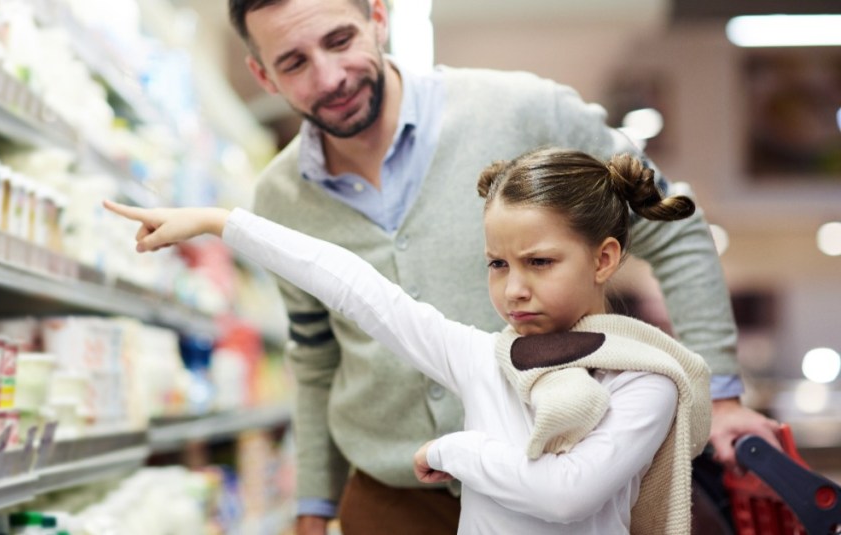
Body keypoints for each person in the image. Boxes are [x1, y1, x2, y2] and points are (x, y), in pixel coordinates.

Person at [227, 0, 780, 532]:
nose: (328, 78)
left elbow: (675, 227)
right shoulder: (278, 198)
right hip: (392, 499)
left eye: (339, 40)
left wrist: (723, 397)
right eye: (294, 62)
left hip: (549, 478)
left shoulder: (522, 109)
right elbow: (317, 357)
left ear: (377, 17)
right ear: (264, 75)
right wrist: (313, 502)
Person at [102, 147, 713, 534]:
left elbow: (565, 496)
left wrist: (453, 451)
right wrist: (220, 222)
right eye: (497, 265)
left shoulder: (646, 382)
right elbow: (357, 287)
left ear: (604, 258)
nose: (514, 289)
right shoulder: (486, 358)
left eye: (540, 262)